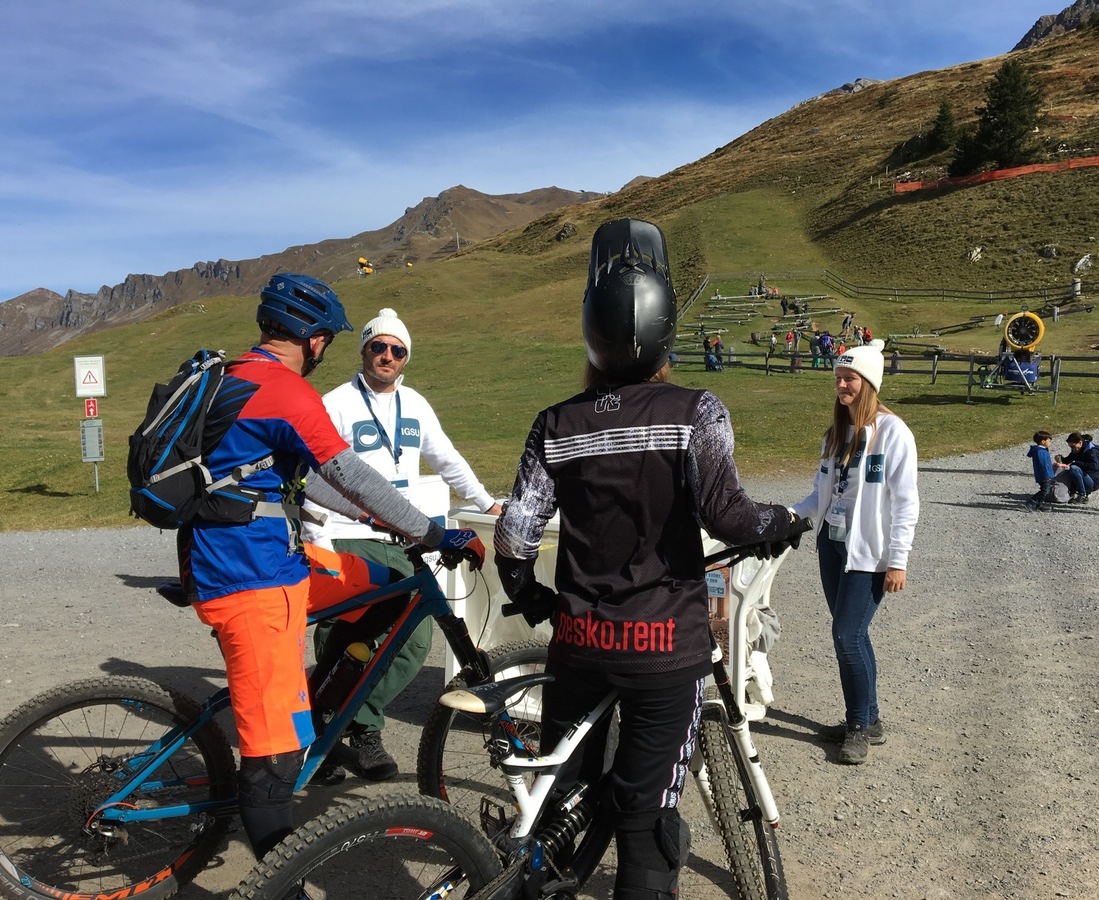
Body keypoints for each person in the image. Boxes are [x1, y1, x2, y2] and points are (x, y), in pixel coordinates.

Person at [493, 219, 806, 900]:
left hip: (579, 644)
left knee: (560, 802)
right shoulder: (697, 412)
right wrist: (783, 521)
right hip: (664, 651)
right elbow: (731, 517)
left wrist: (535, 598)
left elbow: (515, 538)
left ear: (591, 332)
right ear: (668, 332)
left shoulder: (556, 423)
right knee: (647, 820)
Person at [176, 272, 484, 861]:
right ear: (312, 337)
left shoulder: (238, 376)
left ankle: (332, 711)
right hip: (251, 583)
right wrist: (430, 529)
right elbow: (351, 474)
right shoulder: (286, 391)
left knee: (395, 588)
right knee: (273, 773)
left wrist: (386, 523)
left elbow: (314, 482)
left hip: (275, 562)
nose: (329, 351)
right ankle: (281, 869)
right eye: (331, 340)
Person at [304, 308, 502, 784]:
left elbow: (447, 459)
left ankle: (354, 721)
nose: (386, 356)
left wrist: (486, 502)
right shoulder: (336, 403)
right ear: (364, 351)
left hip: (403, 535)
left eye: (397, 349)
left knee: (415, 641)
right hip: (349, 534)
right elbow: (310, 473)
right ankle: (334, 737)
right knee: (344, 639)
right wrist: (318, 538)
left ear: (406, 357)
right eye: (378, 346)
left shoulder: (416, 404)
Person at [791, 340, 919, 765]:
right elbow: (819, 496)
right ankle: (870, 718)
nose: (842, 385)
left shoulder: (894, 433)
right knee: (853, 635)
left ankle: (857, 727)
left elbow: (905, 502)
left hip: (869, 555)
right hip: (832, 546)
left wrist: (898, 559)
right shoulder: (836, 434)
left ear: (869, 383)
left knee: (846, 636)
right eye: (839, 378)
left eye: (850, 378)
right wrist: (782, 516)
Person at [1059, 431, 1099, 503]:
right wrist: (1060, 459)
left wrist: (1077, 463)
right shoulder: (1076, 450)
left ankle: (1082, 495)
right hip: (1084, 477)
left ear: (1080, 442)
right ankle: (1071, 492)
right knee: (1070, 468)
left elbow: (1095, 466)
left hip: (1093, 481)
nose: (1072, 449)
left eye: (1073, 446)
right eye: (1071, 447)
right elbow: (1067, 461)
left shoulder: (1091, 451)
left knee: (1074, 468)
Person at [1024, 430, 1056, 511]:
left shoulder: (1042, 450)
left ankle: (1039, 504)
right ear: (1043, 441)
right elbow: (1044, 465)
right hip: (1044, 476)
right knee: (1045, 491)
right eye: (1049, 441)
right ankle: (1031, 502)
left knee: (1045, 491)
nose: (1050, 443)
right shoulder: (1040, 452)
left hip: (1044, 475)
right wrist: (1047, 476)